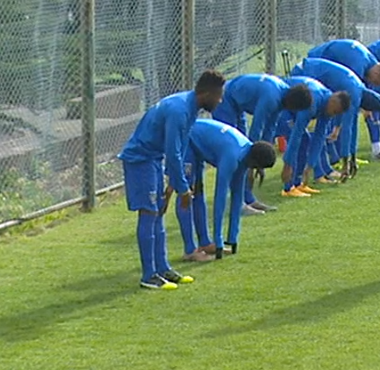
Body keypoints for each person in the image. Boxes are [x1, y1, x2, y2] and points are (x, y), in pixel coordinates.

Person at [118, 70, 225, 290]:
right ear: (205, 93)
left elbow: (180, 146)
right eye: (218, 95)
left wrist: (172, 184)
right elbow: (173, 151)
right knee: (149, 213)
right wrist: (183, 189)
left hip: (154, 159)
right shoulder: (179, 110)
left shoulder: (190, 107)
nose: (220, 100)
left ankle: (163, 268)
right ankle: (149, 276)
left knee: (158, 212)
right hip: (140, 160)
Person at [173, 119, 277, 261]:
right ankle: (190, 250)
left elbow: (237, 197)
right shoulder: (232, 156)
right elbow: (220, 197)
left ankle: (205, 243)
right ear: (254, 162)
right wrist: (219, 239)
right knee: (186, 192)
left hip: (199, 141)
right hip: (188, 138)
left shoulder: (245, 155)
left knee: (198, 192)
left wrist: (232, 238)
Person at [212, 73, 313, 213]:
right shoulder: (271, 98)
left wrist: (261, 161)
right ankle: (238, 203)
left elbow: (270, 127)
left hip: (238, 106)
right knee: (234, 151)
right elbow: (257, 128)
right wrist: (252, 163)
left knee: (243, 152)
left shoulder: (282, 98)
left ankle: (249, 200)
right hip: (225, 100)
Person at [291, 57, 380, 178]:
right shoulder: (354, 95)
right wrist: (346, 162)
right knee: (313, 129)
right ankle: (315, 172)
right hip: (305, 72)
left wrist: (352, 156)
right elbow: (347, 129)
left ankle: (319, 170)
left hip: (309, 70)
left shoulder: (359, 88)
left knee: (322, 128)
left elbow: (351, 126)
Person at [276, 77, 351, 196]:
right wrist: (287, 164)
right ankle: (288, 188)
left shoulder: (327, 107)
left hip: (295, 109)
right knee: (297, 138)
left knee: (306, 140)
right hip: (284, 107)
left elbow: (319, 138)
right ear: (333, 101)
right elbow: (296, 135)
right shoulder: (313, 103)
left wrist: (310, 165)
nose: (333, 115)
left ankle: (298, 183)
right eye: (335, 111)